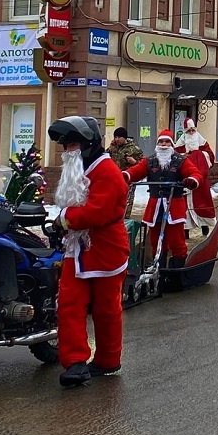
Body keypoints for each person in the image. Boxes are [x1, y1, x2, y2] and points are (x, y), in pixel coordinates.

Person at [48, 116, 131, 388]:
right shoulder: (79, 168)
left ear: (88, 144)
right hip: (77, 248)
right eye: (66, 146)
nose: (68, 151)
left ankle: (108, 360)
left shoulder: (107, 172)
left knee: (106, 309)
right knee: (69, 304)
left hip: (105, 249)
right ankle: (75, 363)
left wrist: (65, 218)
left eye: (73, 145)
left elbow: (98, 212)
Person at [123, 130, 202, 270]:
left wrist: (192, 180)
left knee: (176, 239)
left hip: (174, 205)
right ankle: (158, 267)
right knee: (155, 239)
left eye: (167, 142)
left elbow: (194, 173)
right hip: (155, 206)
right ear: (157, 143)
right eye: (161, 142)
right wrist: (126, 176)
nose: (164, 145)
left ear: (171, 144)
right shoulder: (150, 161)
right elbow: (136, 171)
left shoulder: (180, 160)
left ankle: (177, 269)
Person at [175, 118, 217, 237]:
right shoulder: (180, 143)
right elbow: (175, 157)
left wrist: (198, 155)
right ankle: (186, 230)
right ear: (185, 132)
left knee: (203, 202)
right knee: (185, 206)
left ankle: (205, 225)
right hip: (186, 180)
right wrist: (185, 155)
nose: (192, 133)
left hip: (201, 181)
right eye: (189, 131)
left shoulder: (202, 142)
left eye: (193, 130)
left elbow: (210, 156)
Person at [107, 127, 145, 218]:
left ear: (124, 138)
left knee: (126, 202)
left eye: (119, 137)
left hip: (128, 180)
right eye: (115, 137)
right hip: (114, 179)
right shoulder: (113, 148)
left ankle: (125, 220)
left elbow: (143, 165)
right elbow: (105, 157)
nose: (117, 139)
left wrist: (134, 162)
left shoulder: (134, 149)